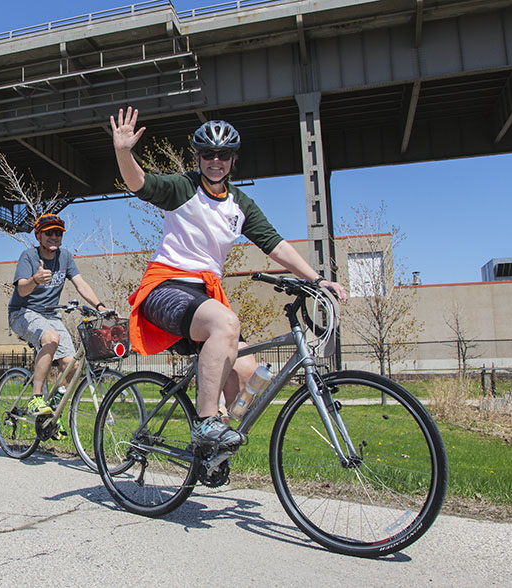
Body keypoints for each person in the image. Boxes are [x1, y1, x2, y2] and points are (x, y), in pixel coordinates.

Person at [111, 108, 348, 455]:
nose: (215, 161)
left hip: (204, 295)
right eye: (208, 154)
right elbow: (140, 183)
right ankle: (206, 422)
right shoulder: (183, 188)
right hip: (165, 288)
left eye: (223, 155)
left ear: (233, 160)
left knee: (246, 368)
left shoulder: (240, 205)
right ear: (199, 157)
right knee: (225, 322)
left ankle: (214, 447)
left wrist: (316, 279)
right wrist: (123, 151)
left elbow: (275, 244)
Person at [7, 213, 110, 440]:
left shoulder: (65, 257)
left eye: (58, 233)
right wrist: (34, 279)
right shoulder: (28, 256)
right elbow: (21, 290)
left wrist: (101, 306)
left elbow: (80, 283)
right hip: (22, 312)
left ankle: (54, 403)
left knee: (72, 365)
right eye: (49, 233)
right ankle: (36, 397)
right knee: (51, 338)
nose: (54, 236)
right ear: (38, 235)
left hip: (51, 315)